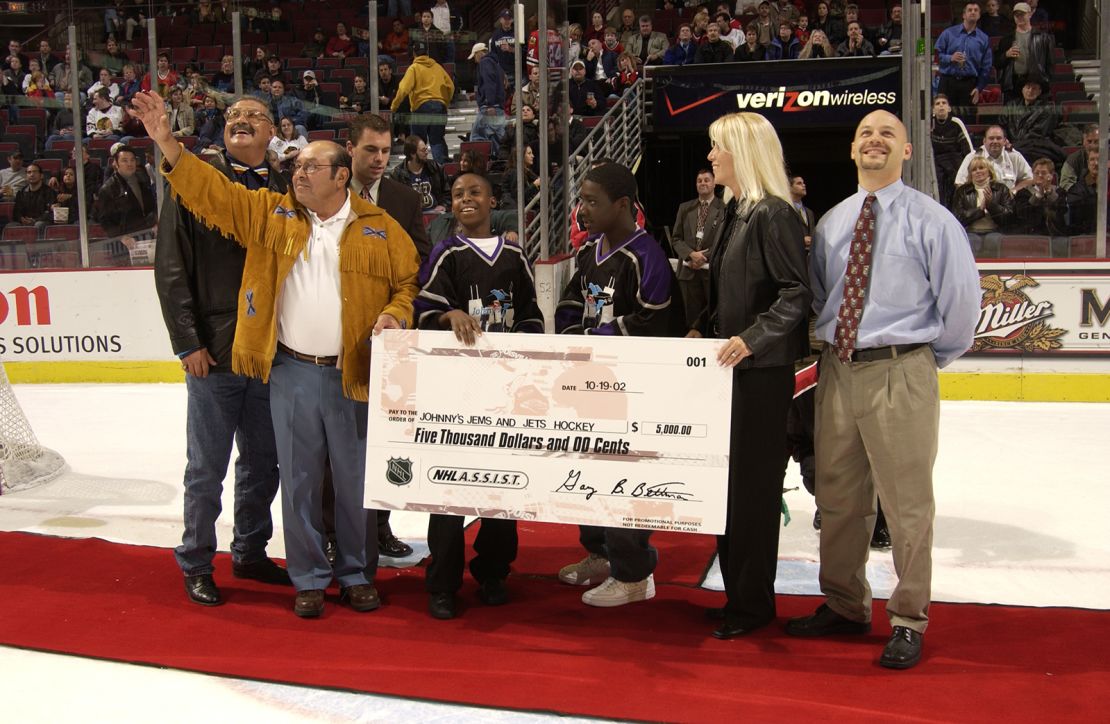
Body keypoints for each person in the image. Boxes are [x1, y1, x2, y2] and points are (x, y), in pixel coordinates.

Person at [130, 90, 421, 618]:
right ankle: (308, 576)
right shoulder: (272, 215)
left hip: (352, 374)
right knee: (301, 481)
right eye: (298, 166)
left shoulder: (379, 226)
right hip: (289, 370)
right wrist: (168, 144)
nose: (299, 173)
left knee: (353, 483)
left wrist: (395, 314)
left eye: (311, 167)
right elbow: (214, 195)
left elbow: (407, 284)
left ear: (340, 177)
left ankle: (356, 573)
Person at [786, 110, 981, 670]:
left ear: (907, 152)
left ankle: (908, 618)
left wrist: (921, 361)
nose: (875, 141)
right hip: (840, 371)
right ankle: (845, 604)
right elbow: (824, 300)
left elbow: (962, 309)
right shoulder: (832, 224)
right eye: (866, 134)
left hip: (902, 369)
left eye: (887, 134)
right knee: (839, 499)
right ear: (852, 150)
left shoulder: (934, 221)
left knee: (906, 505)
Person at [154, 96, 291, 607]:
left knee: (264, 464)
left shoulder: (287, 190)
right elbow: (170, 268)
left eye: (254, 115)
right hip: (213, 350)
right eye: (234, 114)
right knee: (206, 467)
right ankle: (195, 561)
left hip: (270, 354)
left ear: (273, 131)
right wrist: (187, 340)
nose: (240, 120)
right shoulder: (193, 183)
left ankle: (250, 552)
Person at [687, 113, 811, 639]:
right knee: (729, 489)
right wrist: (703, 327)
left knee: (754, 492)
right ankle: (739, 594)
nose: (711, 158)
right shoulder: (738, 212)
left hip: (760, 375)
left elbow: (795, 293)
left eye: (718, 149)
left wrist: (752, 339)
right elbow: (729, 293)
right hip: (732, 371)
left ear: (743, 151)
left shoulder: (774, 214)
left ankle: (753, 605)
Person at [554, 162, 685, 607]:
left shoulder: (646, 254)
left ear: (623, 205)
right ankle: (600, 554)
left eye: (592, 202)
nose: (582, 210)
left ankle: (634, 574)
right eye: (581, 200)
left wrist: (598, 338)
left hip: (633, 393)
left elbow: (653, 320)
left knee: (624, 480)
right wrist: (575, 335)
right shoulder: (590, 252)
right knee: (588, 473)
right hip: (590, 384)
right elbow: (571, 303)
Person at [413, 171, 544, 619]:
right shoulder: (445, 253)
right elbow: (423, 308)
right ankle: (442, 583)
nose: (465, 199)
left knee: (501, 489)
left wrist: (520, 356)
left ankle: (493, 570)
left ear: (492, 200)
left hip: (504, 391)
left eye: (474, 192)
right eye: (457, 195)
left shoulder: (514, 254)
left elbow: (530, 314)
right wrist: (448, 312)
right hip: (455, 393)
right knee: (447, 489)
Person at [338, 113, 429, 559]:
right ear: (350, 148)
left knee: (381, 444)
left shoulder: (403, 199)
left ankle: (378, 528)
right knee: (332, 452)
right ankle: (335, 536)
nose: (379, 158)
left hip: (385, 343)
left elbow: (419, 266)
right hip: (327, 341)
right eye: (370, 149)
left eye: (386, 150)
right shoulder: (324, 192)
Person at [671, 168, 725, 330]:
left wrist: (704, 256)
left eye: (706, 180)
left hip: (711, 272)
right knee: (690, 320)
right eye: (699, 180)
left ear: (714, 183)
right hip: (688, 272)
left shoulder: (724, 208)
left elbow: (724, 240)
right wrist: (690, 255)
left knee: (712, 316)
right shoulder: (685, 208)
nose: (703, 183)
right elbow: (676, 238)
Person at [391, 42, 454, 166]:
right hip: (439, 107)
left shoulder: (414, 68)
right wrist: (444, 103)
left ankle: (419, 170)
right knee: (437, 141)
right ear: (427, 53)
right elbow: (450, 86)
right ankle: (441, 171)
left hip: (421, 107)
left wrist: (394, 105)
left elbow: (403, 89)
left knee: (418, 142)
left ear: (414, 53)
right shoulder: (437, 67)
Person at [934, 2, 993, 111]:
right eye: (970, 10)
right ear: (963, 15)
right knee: (945, 119)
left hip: (969, 84)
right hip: (948, 82)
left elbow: (986, 67)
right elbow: (937, 56)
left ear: (979, 15)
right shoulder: (948, 33)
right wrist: (950, 58)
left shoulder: (984, 39)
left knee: (967, 121)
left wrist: (979, 88)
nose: (973, 12)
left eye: (976, 10)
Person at [951, 157, 1013, 258]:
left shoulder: (1001, 189)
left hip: (995, 231)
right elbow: (957, 217)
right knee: (970, 242)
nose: (978, 171)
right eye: (974, 170)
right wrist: (980, 209)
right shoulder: (962, 191)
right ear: (970, 174)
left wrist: (991, 205)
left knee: (993, 241)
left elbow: (1008, 218)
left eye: (981, 168)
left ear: (989, 171)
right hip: (971, 232)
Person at [995, 2, 1054, 104]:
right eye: (1016, 15)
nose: (1019, 17)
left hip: (1035, 84)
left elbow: (1050, 64)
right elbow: (997, 63)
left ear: (1030, 14)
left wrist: (1044, 83)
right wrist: (1006, 55)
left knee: (1035, 117)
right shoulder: (1006, 39)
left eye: (1022, 14)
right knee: (1012, 116)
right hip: (1013, 84)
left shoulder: (1043, 38)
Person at [94, 144, 156, 237]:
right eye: (124, 161)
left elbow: (152, 205)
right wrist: (120, 237)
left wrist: (155, 222)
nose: (129, 164)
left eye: (132, 160)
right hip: (125, 240)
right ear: (116, 163)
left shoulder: (143, 179)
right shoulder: (108, 188)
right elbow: (105, 220)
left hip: (147, 234)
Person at [955, 125, 1033, 193]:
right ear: (984, 141)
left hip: (1008, 205)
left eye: (998, 138)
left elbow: (1029, 179)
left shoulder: (1014, 157)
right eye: (991, 138)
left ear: (1004, 141)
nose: (995, 141)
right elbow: (959, 183)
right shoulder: (972, 157)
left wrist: (1014, 191)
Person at [1013, 158, 1067, 253]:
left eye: (1044, 173)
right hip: (1031, 234)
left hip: (1056, 234)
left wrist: (1049, 192)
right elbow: (1023, 213)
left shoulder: (1060, 192)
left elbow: (1061, 210)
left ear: (1051, 175)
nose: (1040, 176)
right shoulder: (1023, 193)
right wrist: (1038, 196)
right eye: (1036, 173)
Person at [931, 94, 974, 207]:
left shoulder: (956, 123)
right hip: (935, 162)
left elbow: (968, 150)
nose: (941, 106)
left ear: (949, 108)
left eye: (944, 103)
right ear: (933, 109)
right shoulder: (928, 123)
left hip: (954, 161)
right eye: (937, 103)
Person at [390, 135, 449, 212]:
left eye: (426, 149)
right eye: (423, 150)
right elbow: (393, 201)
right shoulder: (398, 174)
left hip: (436, 215)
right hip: (411, 219)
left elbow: (448, 191)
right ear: (412, 154)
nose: (427, 152)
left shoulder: (435, 167)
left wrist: (443, 205)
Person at [468, 42, 507, 157]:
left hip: (490, 107)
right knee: (497, 138)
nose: (475, 60)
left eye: (474, 56)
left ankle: (475, 164)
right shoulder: (496, 63)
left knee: (476, 137)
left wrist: (490, 104)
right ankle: (502, 161)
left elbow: (489, 83)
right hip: (497, 106)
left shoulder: (485, 62)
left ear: (479, 53)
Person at [12, 162, 56, 236]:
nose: (32, 175)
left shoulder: (50, 192)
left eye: (35, 172)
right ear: (26, 176)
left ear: (41, 175)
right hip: (25, 222)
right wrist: (21, 219)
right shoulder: (21, 192)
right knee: (11, 226)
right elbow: (16, 211)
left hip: (42, 222)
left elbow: (50, 213)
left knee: (39, 225)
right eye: (29, 172)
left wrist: (35, 220)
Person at [1065, 152, 1102, 236]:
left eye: (1100, 160)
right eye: (1092, 160)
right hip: (1087, 234)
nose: (1096, 163)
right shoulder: (1078, 188)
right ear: (1088, 163)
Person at [1060, 125, 1098, 192]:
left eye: (1096, 141)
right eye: (1089, 141)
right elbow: (1066, 185)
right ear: (1083, 141)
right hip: (1082, 199)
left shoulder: (1108, 157)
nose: (1092, 145)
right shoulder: (1073, 160)